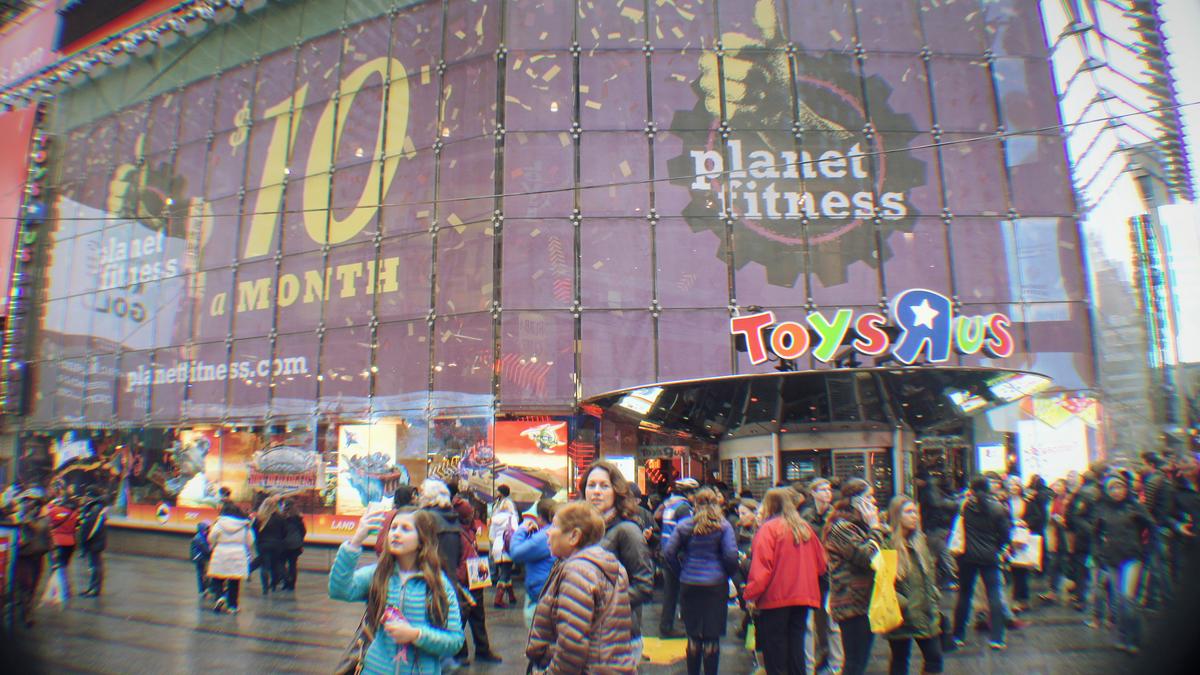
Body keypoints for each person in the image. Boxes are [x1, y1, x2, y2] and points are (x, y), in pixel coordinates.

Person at [329, 508, 465, 674]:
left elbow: (455, 641)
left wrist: (415, 634)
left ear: (422, 539)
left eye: (405, 529)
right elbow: (339, 590)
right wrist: (356, 541)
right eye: (393, 528)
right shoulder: (378, 574)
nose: (396, 533)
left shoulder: (438, 584)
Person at [525, 502, 637, 674]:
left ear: (574, 536)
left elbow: (572, 643)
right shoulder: (609, 565)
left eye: (554, 525)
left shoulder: (578, 571)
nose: (547, 531)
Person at [418, 478, 502, 666]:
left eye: (423, 492)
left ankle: (460, 651)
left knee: (462, 611)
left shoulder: (434, 516)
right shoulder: (450, 512)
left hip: (463, 569)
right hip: (471, 563)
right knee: (473, 611)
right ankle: (473, 649)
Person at [744, 487, 827, 674]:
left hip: (775, 599)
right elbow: (822, 564)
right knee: (796, 647)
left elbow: (761, 570)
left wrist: (750, 595)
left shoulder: (768, 530)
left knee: (775, 651)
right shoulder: (805, 528)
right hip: (804, 597)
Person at [582, 461, 655, 659]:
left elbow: (644, 585)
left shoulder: (627, 530)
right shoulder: (584, 530)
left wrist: (603, 605)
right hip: (587, 635)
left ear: (616, 491)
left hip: (618, 637)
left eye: (604, 486)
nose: (596, 492)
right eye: (591, 485)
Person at [663, 487, 738, 675]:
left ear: (695, 504)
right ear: (716, 504)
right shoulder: (723, 526)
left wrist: (681, 572)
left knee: (694, 636)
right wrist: (726, 574)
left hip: (689, 583)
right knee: (712, 637)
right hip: (715, 584)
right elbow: (731, 555)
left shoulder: (685, 525)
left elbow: (669, 553)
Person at [823, 478, 887, 675]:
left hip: (865, 601)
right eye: (869, 497)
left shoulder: (859, 527)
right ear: (856, 501)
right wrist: (875, 527)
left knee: (860, 661)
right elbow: (866, 556)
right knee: (854, 663)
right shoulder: (842, 528)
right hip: (850, 603)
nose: (874, 503)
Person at [1089, 472, 1153, 653]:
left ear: (1126, 488)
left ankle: (1135, 639)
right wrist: (1098, 554)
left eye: (1120, 487)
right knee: (1118, 600)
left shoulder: (1135, 507)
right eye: (1112, 488)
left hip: (1132, 557)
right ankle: (1123, 636)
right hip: (1112, 558)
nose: (1117, 491)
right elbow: (1095, 534)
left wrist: (1145, 550)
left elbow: (1150, 527)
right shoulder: (1102, 509)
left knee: (1128, 597)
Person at [950, 475, 1012, 650]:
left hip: (967, 557)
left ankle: (958, 635)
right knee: (994, 595)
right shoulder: (998, 508)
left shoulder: (966, 506)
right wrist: (997, 548)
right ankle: (997, 637)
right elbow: (1005, 535)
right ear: (988, 488)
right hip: (990, 557)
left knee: (964, 595)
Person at [883, 496, 944, 675]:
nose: (914, 516)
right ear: (897, 516)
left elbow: (929, 576)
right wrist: (902, 604)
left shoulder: (921, 542)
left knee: (934, 658)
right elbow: (885, 582)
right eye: (908, 512)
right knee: (900, 660)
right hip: (902, 614)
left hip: (924, 612)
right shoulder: (889, 545)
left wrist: (933, 596)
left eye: (915, 512)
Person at [801, 477, 844, 675]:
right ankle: (810, 664)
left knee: (832, 623)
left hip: (831, 576)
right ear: (813, 493)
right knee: (810, 624)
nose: (827, 493)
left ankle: (836, 665)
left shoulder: (837, 517)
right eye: (822, 489)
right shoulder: (807, 516)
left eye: (829, 489)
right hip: (811, 576)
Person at [657, 476, 698, 637]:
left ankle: (666, 625)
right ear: (689, 492)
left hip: (666, 552)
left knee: (670, 592)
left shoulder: (670, 505)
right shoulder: (683, 508)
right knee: (680, 591)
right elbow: (688, 532)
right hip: (677, 554)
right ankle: (670, 626)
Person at [510, 498, 558, 627]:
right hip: (547, 592)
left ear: (540, 517)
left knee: (538, 641)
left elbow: (516, 553)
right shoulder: (552, 532)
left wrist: (522, 529)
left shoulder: (544, 536)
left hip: (540, 595)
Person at [207, 501, 255, 613]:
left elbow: (211, 538)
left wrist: (215, 543)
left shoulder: (219, 523)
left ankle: (220, 597)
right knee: (234, 581)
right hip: (238, 553)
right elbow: (250, 541)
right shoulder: (244, 525)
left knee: (218, 577)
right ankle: (233, 606)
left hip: (221, 552)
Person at [13, 489, 51, 627]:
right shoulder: (19, 516)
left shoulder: (44, 519)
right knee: (24, 584)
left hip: (38, 556)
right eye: (26, 500)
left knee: (33, 585)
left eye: (31, 501)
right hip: (24, 556)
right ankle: (25, 611)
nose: (27, 503)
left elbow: (40, 530)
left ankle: (26, 607)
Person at [1040, 479, 1072, 604]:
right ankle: (1052, 591)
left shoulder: (1067, 500)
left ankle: (1068, 590)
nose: (1057, 487)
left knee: (1064, 563)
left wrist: (1063, 520)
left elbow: (1071, 517)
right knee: (1054, 564)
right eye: (1055, 485)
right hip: (1054, 535)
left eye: (1059, 485)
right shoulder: (1052, 500)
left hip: (1065, 535)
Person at [43, 492, 79, 598]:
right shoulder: (75, 513)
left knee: (55, 566)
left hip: (57, 541)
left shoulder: (55, 510)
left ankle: (55, 589)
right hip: (70, 542)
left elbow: (47, 520)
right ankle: (66, 589)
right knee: (64, 566)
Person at [488, 486, 519, 608]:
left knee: (505, 571)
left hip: (497, 547)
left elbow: (491, 536)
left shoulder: (494, 519)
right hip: (507, 548)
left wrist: (496, 542)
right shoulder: (512, 519)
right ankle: (498, 599)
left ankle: (511, 596)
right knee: (505, 573)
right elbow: (515, 534)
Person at [76, 486, 109, 597]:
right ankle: (93, 588)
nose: (85, 497)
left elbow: (91, 527)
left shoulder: (96, 508)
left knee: (95, 566)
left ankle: (94, 589)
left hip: (95, 542)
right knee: (94, 565)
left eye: (87, 495)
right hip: (96, 541)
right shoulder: (95, 507)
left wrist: (84, 542)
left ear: (91, 496)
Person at [252, 495, 287, 594]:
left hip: (263, 545)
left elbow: (255, 531)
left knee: (264, 566)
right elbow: (284, 531)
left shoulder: (259, 518)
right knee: (275, 565)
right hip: (277, 545)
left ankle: (265, 588)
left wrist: (258, 543)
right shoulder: (280, 517)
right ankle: (274, 584)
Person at [280, 499, 306, 590]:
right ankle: (292, 584)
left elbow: (281, 531)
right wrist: (300, 540)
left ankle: (286, 581)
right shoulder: (298, 518)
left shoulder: (282, 517)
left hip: (285, 544)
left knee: (281, 563)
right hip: (296, 544)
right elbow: (303, 531)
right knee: (293, 564)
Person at [191, 521, 214, 597]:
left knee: (202, 574)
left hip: (199, 557)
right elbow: (206, 549)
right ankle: (203, 590)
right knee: (202, 574)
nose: (208, 530)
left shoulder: (200, 536)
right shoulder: (200, 538)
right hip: (200, 558)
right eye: (207, 529)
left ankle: (204, 590)